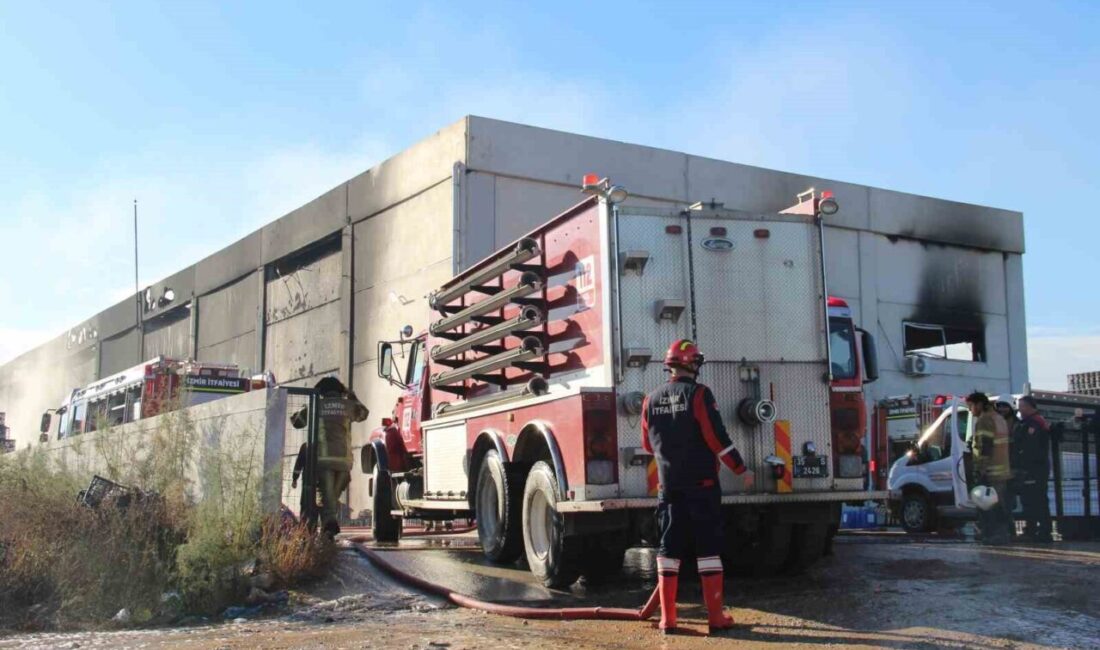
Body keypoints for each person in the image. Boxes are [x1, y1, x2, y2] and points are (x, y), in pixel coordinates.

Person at [641, 339, 754, 635]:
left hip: (669, 488)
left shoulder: (650, 400)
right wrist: (741, 469)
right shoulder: (699, 395)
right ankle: (716, 618)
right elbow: (716, 437)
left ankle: (668, 620)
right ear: (692, 363)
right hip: (702, 486)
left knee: (668, 550)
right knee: (708, 550)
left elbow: (646, 443)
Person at [291, 377, 368, 539]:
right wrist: (353, 398)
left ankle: (329, 523)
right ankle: (328, 525)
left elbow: (297, 422)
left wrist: (305, 407)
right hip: (344, 462)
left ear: (321, 391)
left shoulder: (316, 405)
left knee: (325, 495)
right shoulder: (348, 406)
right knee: (331, 495)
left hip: (323, 460)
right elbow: (363, 414)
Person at [966, 392, 1012, 545]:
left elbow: (985, 447)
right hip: (1002, 470)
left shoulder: (984, 420)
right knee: (999, 505)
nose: (970, 410)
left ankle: (993, 535)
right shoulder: (999, 418)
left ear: (979, 404)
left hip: (990, 471)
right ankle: (1003, 534)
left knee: (988, 507)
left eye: (971, 406)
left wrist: (981, 470)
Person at [1014, 396, 1053, 542]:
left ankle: (1040, 531)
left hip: (1034, 468)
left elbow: (1030, 447)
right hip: (1035, 467)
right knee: (1033, 499)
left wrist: (1024, 464)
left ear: (1031, 406)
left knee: (1036, 500)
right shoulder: (1032, 421)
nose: (1020, 409)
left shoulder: (1034, 423)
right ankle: (1036, 530)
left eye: (1022, 406)